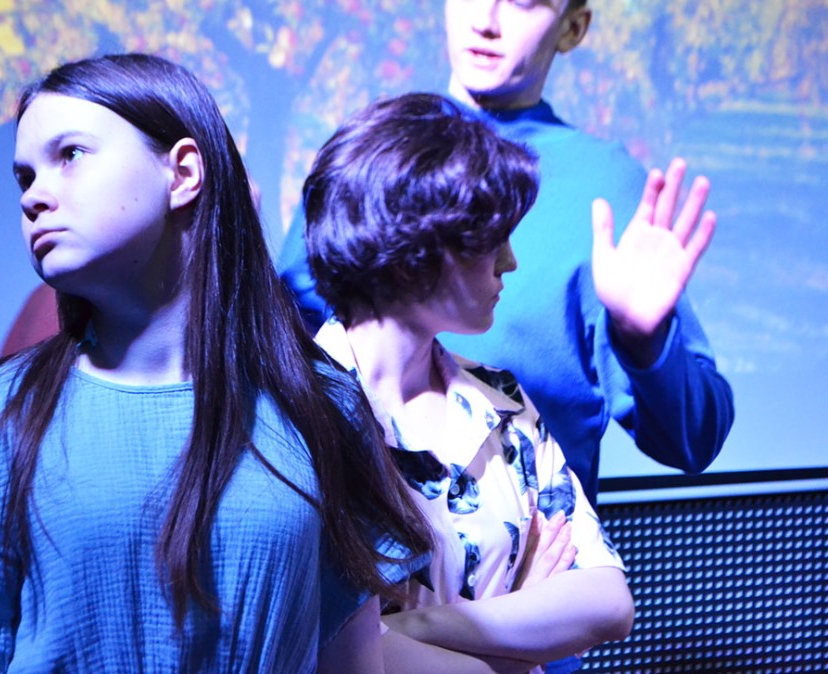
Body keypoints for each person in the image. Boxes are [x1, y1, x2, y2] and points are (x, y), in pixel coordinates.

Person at [0, 53, 432, 673]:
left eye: (70, 155)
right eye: (24, 178)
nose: (34, 197)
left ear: (182, 172)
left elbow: (351, 660)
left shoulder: (320, 406)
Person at [278, 0, 735, 507]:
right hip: (345, 533)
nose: (485, 20)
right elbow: (277, 360)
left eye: (522, 2)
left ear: (573, 27)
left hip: (531, 543)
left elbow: (694, 440)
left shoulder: (606, 189)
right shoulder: (371, 155)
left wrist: (645, 342)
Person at [304, 92, 635, 674]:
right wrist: (518, 640)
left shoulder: (501, 400)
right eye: (489, 239)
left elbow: (608, 603)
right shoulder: (293, 411)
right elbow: (321, 657)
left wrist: (412, 628)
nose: (510, 262)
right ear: (411, 248)